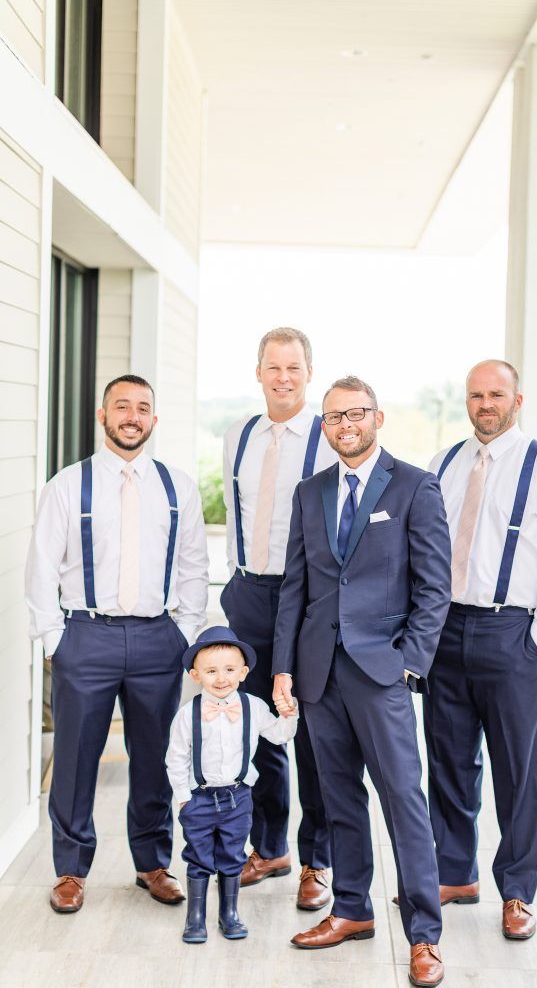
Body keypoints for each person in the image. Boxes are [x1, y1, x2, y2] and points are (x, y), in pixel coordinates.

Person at [272, 376, 452, 988]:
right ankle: (351, 910)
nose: (344, 424)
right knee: (338, 798)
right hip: (319, 671)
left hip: (382, 672)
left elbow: (434, 588)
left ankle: (424, 937)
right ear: (324, 426)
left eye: (355, 413)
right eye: (332, 417)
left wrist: (411, 663)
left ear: (378, 417)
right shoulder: (310, 491)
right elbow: (295, 586)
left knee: (405, 800)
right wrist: (284, 666)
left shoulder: (414, 486)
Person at [25, 375, 209, 914]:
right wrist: (56, 641)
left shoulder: (178, 487)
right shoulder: (68, 484)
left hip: (159, 639)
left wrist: (187, 631)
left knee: (153, 758)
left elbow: (195, 565)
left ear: (155, 419)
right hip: (85, 636)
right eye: (122, 406)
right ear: (102, 415)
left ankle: (152, 864)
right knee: (76, 756)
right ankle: (70, 870)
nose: (132, 416)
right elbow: (41, 569)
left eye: (143, 408)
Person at [423, 359, 537, 940]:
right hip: (446, 631)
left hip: (509, 633)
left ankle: (517, 891)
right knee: (447, 761)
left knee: (517, 770)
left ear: (517, 401)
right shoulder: (446, 463)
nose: (484, 405)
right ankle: (455, 871)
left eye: (495, 395)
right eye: (475, 396)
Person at [221, 327, 336, 910]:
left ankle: (317, 860)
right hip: (246, 595)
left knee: (312, 730)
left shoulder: (326, 438)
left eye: (293, 367)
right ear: (259, 371)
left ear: (308, 373)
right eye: (273, 367)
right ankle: (268, 847)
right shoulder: (238, 434)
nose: (283, 377)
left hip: (307, 599)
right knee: (256, 727)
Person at [166, 626, 298, 944]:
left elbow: (279, 736)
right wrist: (183, 798)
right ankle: (195, 917)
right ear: (196, 675)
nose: (221, 678)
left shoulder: (253, 706)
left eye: (229, 670)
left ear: (243, 672)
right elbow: (176, 759)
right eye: (211, 671)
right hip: (198, 798)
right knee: (198, 856)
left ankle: (229, 913)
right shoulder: (187, 714)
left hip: (238, 797)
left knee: (232, 854)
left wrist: (289, 714)